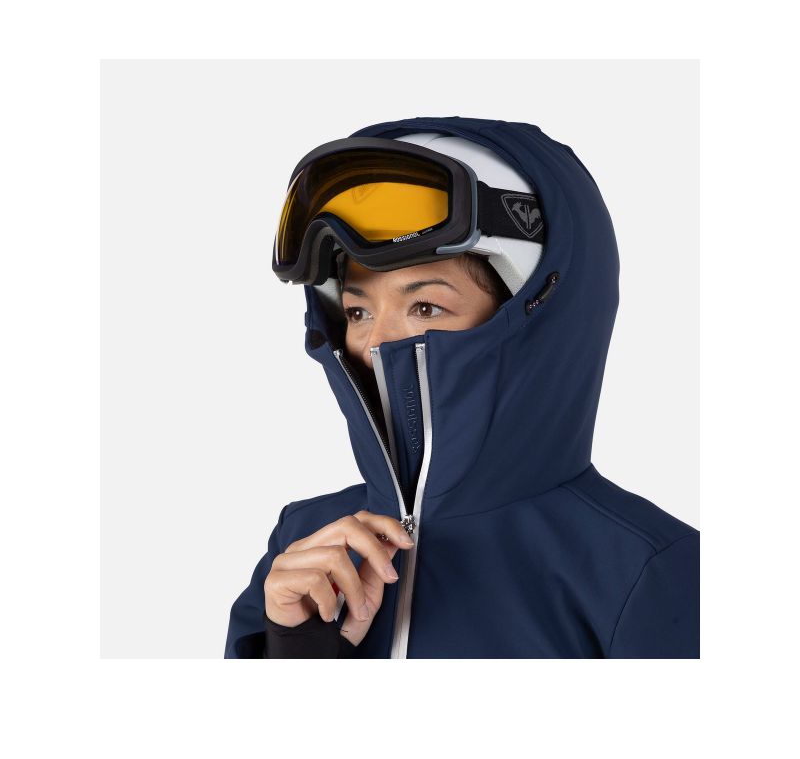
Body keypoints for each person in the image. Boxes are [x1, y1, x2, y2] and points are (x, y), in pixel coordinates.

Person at [224, 116, 700, 659]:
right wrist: (299, 653)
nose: (376, 342)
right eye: (357, 311)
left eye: (425, 306)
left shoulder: (649, 569)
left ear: (533, 321)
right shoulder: (304, 548)